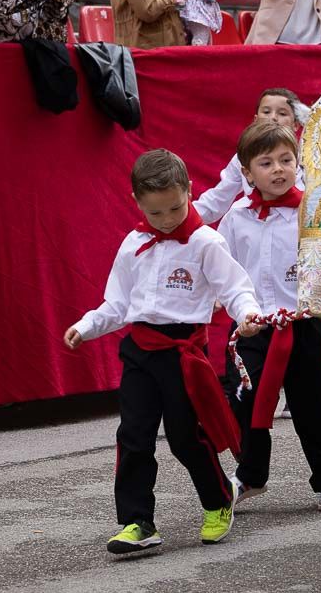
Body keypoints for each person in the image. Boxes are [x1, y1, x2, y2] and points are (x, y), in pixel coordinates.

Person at [65, 149, 263, 555]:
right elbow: (117, 305)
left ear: (190, 191)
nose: (168, 218)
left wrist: (248, 313)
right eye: (156, 213)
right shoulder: (133, 244)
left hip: (183, 353)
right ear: (137, 203)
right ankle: (137, 521)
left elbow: (235, 288)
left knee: (185, 439)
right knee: (133, 436)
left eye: (176, 207)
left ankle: (218, 498)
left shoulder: (206, 241)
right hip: (139, 350)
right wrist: (86, 326)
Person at [219, 121, 321, 511]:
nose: (278, 169)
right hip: (252, 325)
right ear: (246, 173)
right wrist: (236, 310)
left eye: (286, 160)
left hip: (304, 323)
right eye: (266, 162)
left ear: (299, 163)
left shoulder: (315, 210)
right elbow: (224, 271)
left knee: (308, 405)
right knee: (246, 398)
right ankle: (251, 475)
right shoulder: (238, 216)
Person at [197, 88, 307, 224]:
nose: (273, 117)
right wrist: (181, 218)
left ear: (296, 124)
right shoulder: (243, 158)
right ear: (255, 119)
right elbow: (219, 198)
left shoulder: (310, 157)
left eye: (282, 113)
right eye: (266, 111)